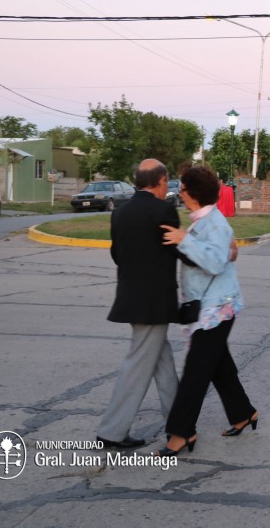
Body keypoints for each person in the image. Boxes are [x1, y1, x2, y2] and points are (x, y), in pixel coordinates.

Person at [156, 166, 257, 457]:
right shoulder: (204, 221)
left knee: (196, 373)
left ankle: (181, 433)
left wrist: (183, 240)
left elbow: (213, 262)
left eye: (183, 188)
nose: (180, 193)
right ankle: (243, 413)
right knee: (218, 365)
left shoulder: (213, 223)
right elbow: (221, 254)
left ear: (193, 192)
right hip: (211, 306)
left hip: (218, 308)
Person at [97, 159, 180, 449]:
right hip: (155, 301)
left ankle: (179, 426)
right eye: (167, 180)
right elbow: (177, 250)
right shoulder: (164, 210)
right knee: (137, 364)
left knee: (162, 362)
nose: (167, 185)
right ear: (159, 181)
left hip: (132, 297)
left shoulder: (120, 212)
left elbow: (117, 254)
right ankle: (111, 431)